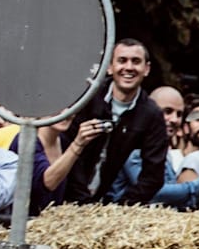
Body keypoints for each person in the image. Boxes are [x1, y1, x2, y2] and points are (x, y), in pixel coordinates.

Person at [62, 39, 167, 204]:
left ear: (146, 69)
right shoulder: (87, 98)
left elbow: (153, 175)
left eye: (136, 61)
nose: (129, 67)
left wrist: (121, 208)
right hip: (65, 195)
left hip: (107, 203)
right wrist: (80, 200)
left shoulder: (151, 114)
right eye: (122, 60)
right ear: (109, 67)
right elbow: (64, 144)